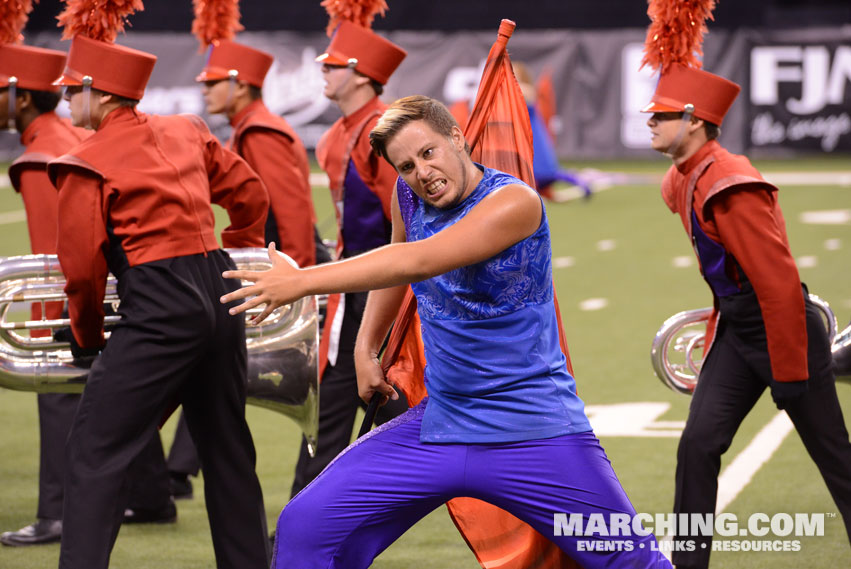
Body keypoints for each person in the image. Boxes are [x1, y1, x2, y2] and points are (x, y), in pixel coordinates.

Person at [222, 95, 672, 569]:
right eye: (407, 165)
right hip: (439, 425)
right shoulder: (407, 197)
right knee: (305, 524)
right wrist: (364, 346)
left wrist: (301, 282)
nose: (422, 172)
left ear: (458, 138)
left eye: (429, 152)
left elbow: (419, 259)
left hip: (533, 429)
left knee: (630, 559)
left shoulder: (514, 202)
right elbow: (397, 264)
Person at [49, 34, 271, 569]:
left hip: (157, 300)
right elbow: (251, 195)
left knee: (94, 453)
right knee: (227, 451)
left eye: (71, 91)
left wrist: (86, 339)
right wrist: (238, 250)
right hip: (218, 288)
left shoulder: (83, 162)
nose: (64, 100)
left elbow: (81, 273)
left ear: (99, 96)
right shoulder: (187, 129)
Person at [642, 63, 851, 568]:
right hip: (738, 329)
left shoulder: (732, 185)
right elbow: (675, 188)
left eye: (661, 115)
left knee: (835, 460)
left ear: (693, 121)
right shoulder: (690, 174)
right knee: (697, 445)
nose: (649, 122)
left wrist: (790, 370)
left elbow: (777, 283)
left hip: (784, 331)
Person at [0, 43, 175, 547]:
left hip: (89, 292)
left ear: (19, 97)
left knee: (59, 390)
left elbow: (50, 264)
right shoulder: (64, 133)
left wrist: (53, 331)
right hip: (131, 288)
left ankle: (56, 513)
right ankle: (150, 496)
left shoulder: (39, 156)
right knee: (118, 388)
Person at [162, 38, 332, 500]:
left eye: (213, 83)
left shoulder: (261, 133)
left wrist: (303, 286)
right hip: (266, 265)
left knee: (210, 358)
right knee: (210, 359)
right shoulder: (249, 129)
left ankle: (175, 471)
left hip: (279, 267)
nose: (205, 91)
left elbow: (292, 213)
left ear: (240, 85)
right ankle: (176, 469)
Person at [289, 20, 409, 498]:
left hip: (389, 286)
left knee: (393, 404)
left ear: (360, 74)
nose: (324, 70)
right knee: (329, 405)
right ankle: (301, 517)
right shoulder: (335, 134)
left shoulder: (387, 131)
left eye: (333, 64)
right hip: (351, 288)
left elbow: (403, 221)